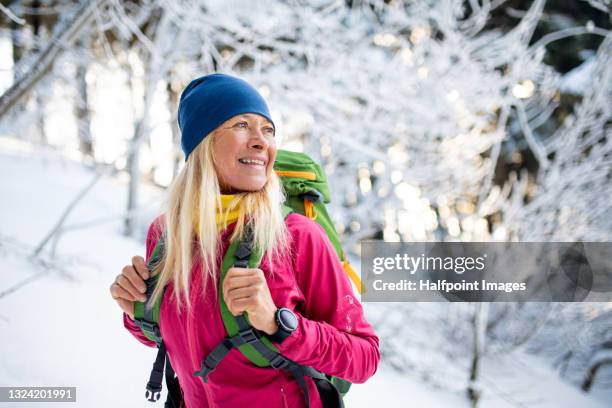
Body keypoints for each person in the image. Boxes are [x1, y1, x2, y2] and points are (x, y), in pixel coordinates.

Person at [109, 73, 380, 408]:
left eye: (267, 130)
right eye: (241, 124)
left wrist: (280, 324)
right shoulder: (167, 236)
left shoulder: (295, 236)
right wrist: (136, 311)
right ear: (202, 142)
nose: (260, 141)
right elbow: (180, 340)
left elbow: (364, 357)